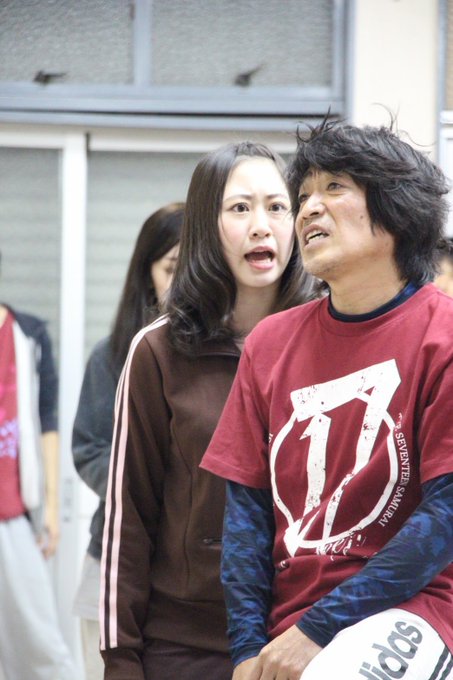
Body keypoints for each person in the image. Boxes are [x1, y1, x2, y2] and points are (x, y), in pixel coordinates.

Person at [201, 120, 453, 680]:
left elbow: (447, 515)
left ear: (397, 209)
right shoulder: (269, 343)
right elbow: (246, 516)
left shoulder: (445, 336)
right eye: (304, 195)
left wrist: (317, 630)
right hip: (291, 628)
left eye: (334, 187)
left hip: (417, 611)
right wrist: (246, 650)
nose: (309, 208)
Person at [99, 141, 314, 680]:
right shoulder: (158, 349)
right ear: (204, 225)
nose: (261, 226)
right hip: (184, 643)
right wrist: (121, 660)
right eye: (240, 208)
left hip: (304, 637)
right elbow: (129, 519)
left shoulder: (330, 340)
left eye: (277, 207)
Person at [72, 203, 184, 680]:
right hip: (114, 556)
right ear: (146, 275)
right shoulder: (114, 353)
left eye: (195, 265)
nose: (184, 281)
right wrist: (145, 488)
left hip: (189, 575)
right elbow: (89, 450)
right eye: (171, 268)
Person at [0, 254, 76, 680]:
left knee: (38, 642)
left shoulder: (28, 335)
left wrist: (51, 505)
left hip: (13, 512)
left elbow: (48, 420)